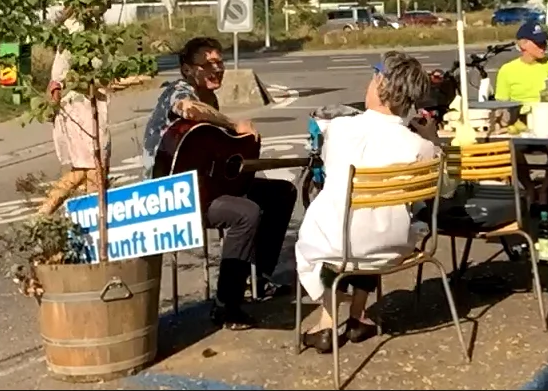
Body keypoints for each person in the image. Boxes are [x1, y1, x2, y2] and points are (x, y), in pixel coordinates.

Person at [143, 36, 297, 330]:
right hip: (174, 194)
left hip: (206, 186)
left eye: (220, 62)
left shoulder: (210, 96)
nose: (216, 70)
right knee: (246, 212)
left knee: (282, 192)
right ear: (188, 69)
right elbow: (188, 109)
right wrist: (232, 124)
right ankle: (227, 305)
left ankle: (258, 279)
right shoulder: (178, 89)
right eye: (207, 64)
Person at [294, 51, 437, 353]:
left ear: (381, 85)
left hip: (335, 245)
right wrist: (432, 138)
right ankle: (356, 317)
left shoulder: (340, 128)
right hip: (391, 246)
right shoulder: (420, 146)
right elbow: (441, 188)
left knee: (346, 225)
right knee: (375, 221)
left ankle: (327, 324)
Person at [38, 13, 111, 216]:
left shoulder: (86, 30)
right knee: (93, 167)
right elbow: (75, 79)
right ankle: (44, 212)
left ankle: (86, 219)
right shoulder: (79, 33)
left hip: (84, 106)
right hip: (81, 108)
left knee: (90, 170)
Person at [494, 21, 548, 104]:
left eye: (544, 42)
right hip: (521, 115)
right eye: (538, 43)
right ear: (523, 44)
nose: (543, 46)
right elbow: (502, 104)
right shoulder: (507, 70)